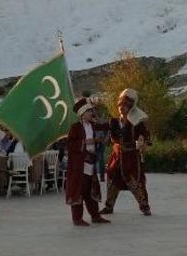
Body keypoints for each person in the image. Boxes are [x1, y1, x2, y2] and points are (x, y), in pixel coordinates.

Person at [100, 89, 151, 216]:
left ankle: (144, 206)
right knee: (112, 180)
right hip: (116, 156)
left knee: (136, 182)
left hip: (131, 157)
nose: (122, 108)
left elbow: (146, 136)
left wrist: (142, 141)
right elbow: (102, 128)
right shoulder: (113, 122)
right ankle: (109, 206)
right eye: (120, 105)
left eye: (125, 106)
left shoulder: (135, 122)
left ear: (130, 108)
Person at [65, 98, 109, 226]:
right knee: (79, 189)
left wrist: (98, 137)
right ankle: (77, 218)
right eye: (89, 111)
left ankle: (95, 216)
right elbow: (70, 145)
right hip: (80, 164)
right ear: (82, 113)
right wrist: (86, 142)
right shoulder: (75, 127)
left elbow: (106, 126)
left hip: (91, 161)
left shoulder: (93, 125)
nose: (91, 113)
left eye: (91, 111)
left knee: (91, 189)